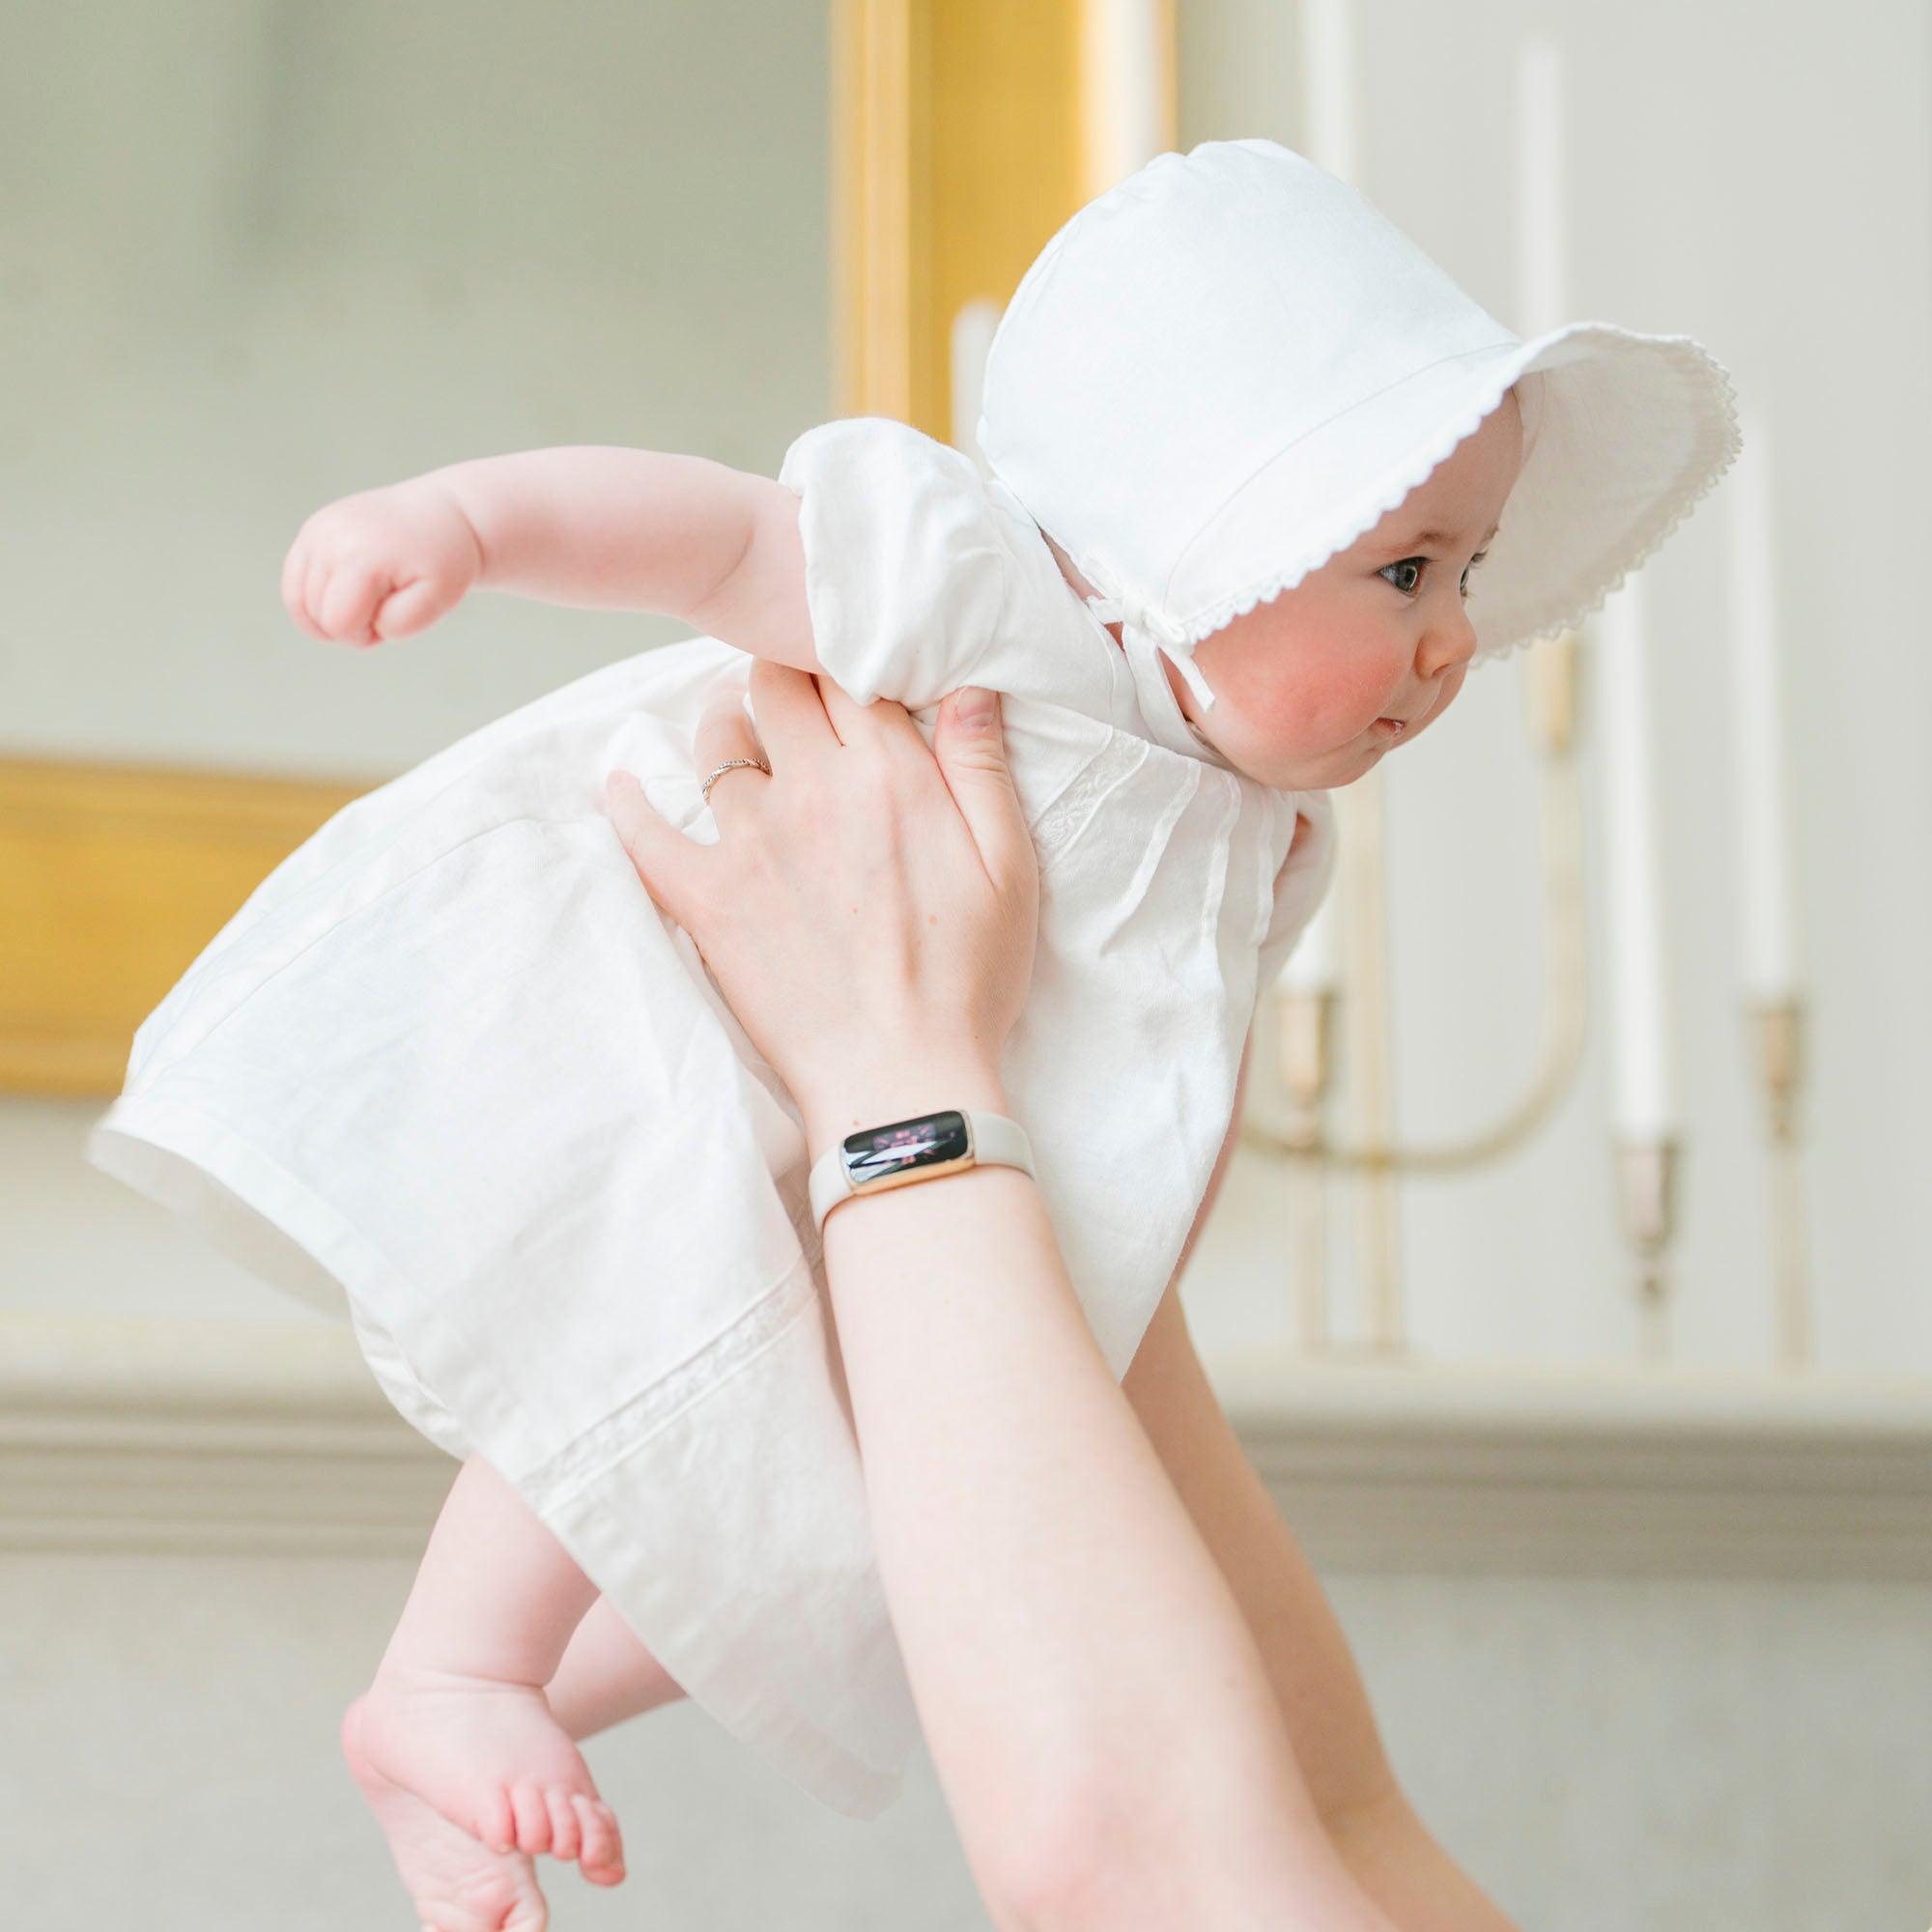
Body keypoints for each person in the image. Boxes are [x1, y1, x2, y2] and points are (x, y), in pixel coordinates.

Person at [84, 139, 1737, 1929]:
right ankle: (457, 1672)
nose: (1452, 644)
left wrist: (1079, 1294)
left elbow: (1174, 1110)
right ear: (1200, 530)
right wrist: (469, 526)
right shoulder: (993, 600)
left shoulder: (1268, 839)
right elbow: (723, 536)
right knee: (637, 1327)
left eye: (1470, 574)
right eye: (1406, 571)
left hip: (943, 1201)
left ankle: (490, 1707)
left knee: (816, 1534)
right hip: (739, 1056)